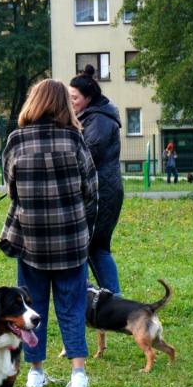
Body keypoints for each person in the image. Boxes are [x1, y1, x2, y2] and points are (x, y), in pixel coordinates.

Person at [0, 79, 98, 387]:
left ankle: (35, 372)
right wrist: (83, 228)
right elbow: (91, 191)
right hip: (71, 241)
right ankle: (78, 374)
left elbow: (11, 190)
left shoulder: (16, 141)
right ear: (63, 105)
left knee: (32, 306)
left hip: (31, 242)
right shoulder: (75, 140)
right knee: (72, 305)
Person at [70, 64, 123, 296]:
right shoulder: (92, 116)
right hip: (100, 191)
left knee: (92, 247)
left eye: (75, 98)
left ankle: (111, 299)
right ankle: (109, 299)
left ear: (88, 98)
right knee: (95, 248)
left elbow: (87, 155)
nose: (71, 102)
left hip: (101, 193)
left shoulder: (99, 121)